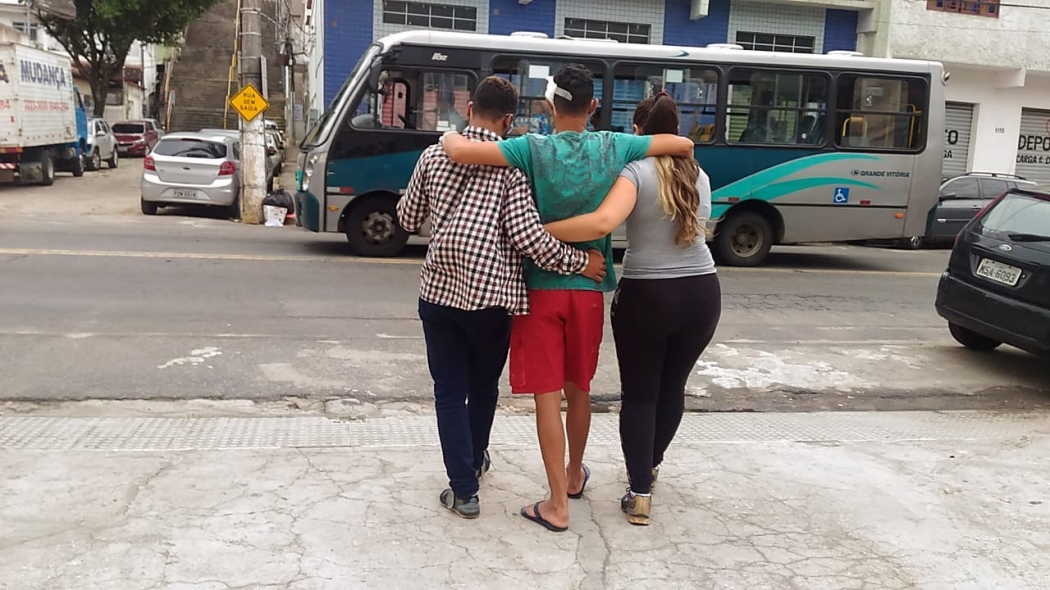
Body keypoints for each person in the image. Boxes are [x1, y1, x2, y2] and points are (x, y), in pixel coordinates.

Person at [441, 65, 695, 532]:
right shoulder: (616, 145)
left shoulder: (529, 149)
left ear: (549, 105)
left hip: (540, 290)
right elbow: (680, 145)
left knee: (546, 399)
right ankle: (576, 474)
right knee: (580, 390)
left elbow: (460, 151)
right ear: (594, 106)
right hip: (589, 289)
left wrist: (447, 137)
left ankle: (556, 503)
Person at [396, 76, 607, 520]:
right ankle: (474, 459)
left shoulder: (433, 156)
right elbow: (530, 239)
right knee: (483, 387)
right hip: (493, 302)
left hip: (438, 295)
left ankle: (464, 490)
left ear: (469, 109)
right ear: (509, 120)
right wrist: (581, 263)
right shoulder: (513, 168)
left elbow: (408, 218)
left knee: (449, 392)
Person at [543, 92, 722, 526]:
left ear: (639, 132)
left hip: (648, 296)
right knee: (672, 387)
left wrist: (542, 229)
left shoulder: (636, 171)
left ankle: (639, 492)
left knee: (640, 394)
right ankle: (650, 469)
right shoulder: (699, 174)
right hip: (703, 293)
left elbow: (603, 222)